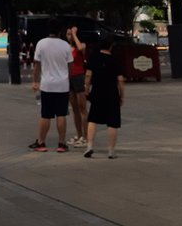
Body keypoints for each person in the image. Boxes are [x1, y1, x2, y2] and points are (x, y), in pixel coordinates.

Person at [29, 18, 73, 152]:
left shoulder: (41, 44)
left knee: (46, 115)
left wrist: (35, 81)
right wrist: (68, 80)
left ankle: (41, 142)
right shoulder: (66, 46)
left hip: (47, 84)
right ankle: (61, 143)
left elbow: (37, 65)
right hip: (62, 85)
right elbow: (70, 66)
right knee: (61, 114)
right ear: (61, 30)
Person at [83, 35, 124, 158]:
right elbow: (120, 80)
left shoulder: (93, 57)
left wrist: (86, 88)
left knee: (93, 119)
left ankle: (89, 146)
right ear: (111, 46)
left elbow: (88, 75)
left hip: (97, 91)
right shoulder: (114, 59)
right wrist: (121, 95)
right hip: (111, 93)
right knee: (112, 122)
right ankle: (111, 151)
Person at [66, 26, 88, 147]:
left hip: (79, 77)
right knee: (74, 109)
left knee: (82, 108)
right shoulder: (67, 48)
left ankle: (86, 136)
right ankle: (79, 134)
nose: (69, 36)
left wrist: (75, 34)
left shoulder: (82, 45)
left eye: (71, 34)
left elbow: (80, 48)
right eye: (68, 34)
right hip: (69, 78)